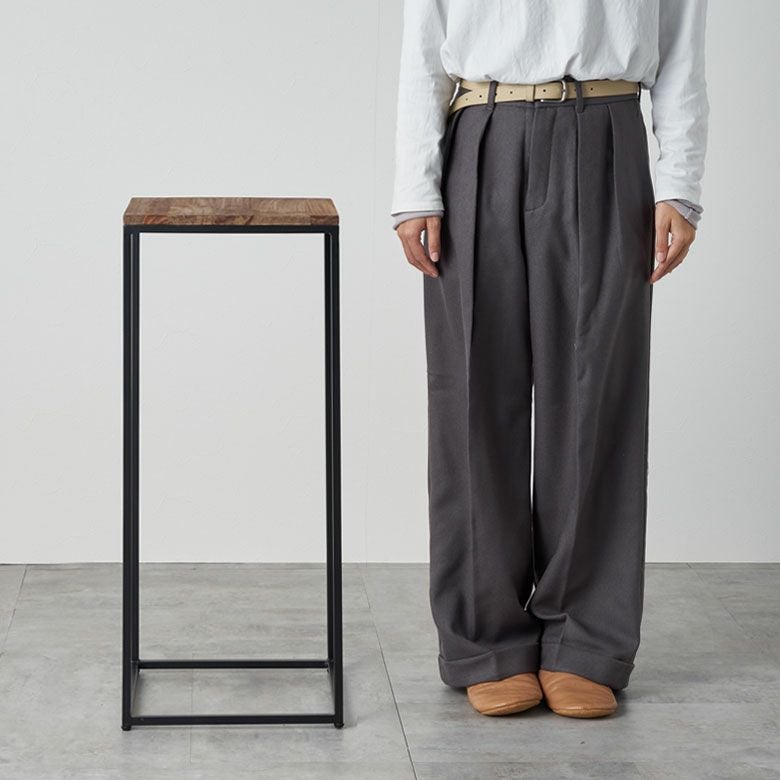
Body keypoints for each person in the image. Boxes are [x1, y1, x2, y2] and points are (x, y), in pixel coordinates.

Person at [391, 0, 709, 718]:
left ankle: (585, 642)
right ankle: (486, 642)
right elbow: (424, 45)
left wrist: (680, 183)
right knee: (473, 396)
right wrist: (416, 186)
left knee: (597, 395)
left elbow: (682, 44)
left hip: (607, 133)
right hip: (480, 132)